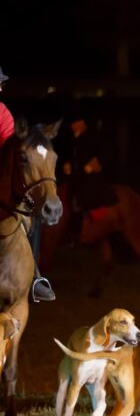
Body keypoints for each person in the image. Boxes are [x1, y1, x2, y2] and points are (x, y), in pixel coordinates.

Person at [0, 66, 56, 301]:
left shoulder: (3, 113)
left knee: (28, 216)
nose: (1, 87)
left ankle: (34, 277)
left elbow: (10, 148)